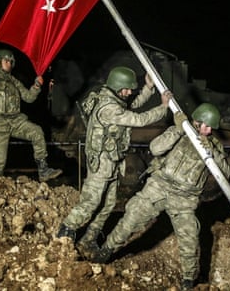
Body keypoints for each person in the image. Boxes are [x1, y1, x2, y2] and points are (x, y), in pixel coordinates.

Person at [89, 103, 230, 291]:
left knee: (190, 239)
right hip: (159, 186)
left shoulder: (213, 145)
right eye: (206, 125)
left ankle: (189, 281)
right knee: (131, 219)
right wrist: (179, 131)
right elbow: (155, 148)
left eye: (212, 127)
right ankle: (105, 252)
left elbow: (225, 173)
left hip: (185, 198)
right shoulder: (179, 131)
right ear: (196, 121)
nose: (209, 130)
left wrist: (211, 151)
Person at [56, 66, 172, 255]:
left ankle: (89, 239)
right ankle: (65, 234)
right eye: (126, 89)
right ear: (117, 86)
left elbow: (132, 105)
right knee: (90, 202)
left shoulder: (114, 100)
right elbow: (138, 119)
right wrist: (163, 107)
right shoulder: (108, 107)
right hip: (102, 163)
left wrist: (148, 88)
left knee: (108, 205)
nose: (128, 93)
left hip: (112, 161)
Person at [0, 36, 62, 181]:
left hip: (15, 120)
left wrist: (36, 86)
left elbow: (28, 97)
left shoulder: (13, 81)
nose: (9, 63)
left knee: (36, 131)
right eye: (6, 60)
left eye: (11, 61)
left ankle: (43, 169)